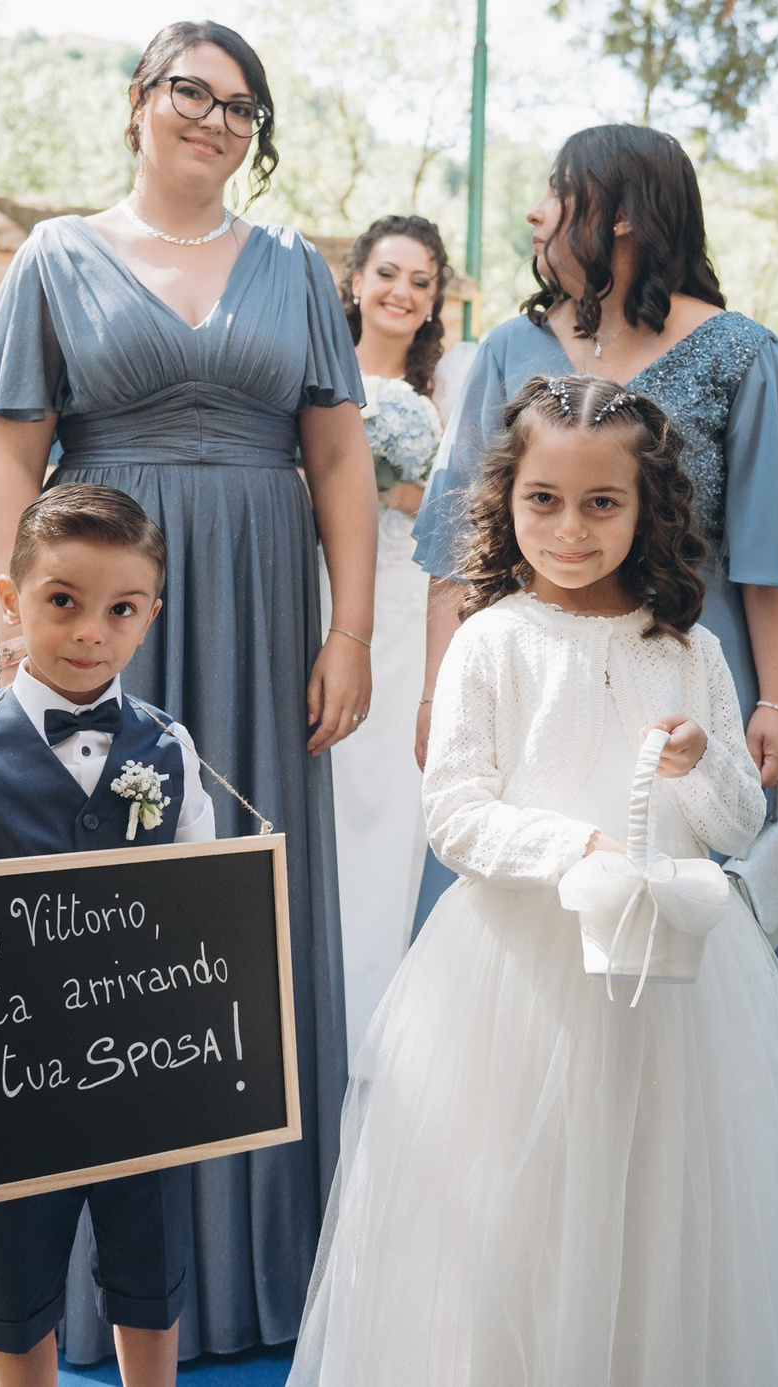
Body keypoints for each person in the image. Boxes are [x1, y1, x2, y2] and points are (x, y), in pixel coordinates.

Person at [0, 20, 377, 1362]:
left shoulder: (297, 269)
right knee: (90, 930)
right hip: (93, 619)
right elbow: (9, 461)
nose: (216, 118)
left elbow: (342, 460)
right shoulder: (55, 258)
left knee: (238, 915)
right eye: (192, 90)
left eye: (242, 103)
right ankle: (71, 1281)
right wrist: (18, 628)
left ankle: (254, 1262)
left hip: (258, 610)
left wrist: (349, 627)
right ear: (138, 100)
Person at [293, 375, 778, 1386]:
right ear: (508, 501)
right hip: (515, 985)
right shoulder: (491, 641)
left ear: (648, 507)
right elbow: (453, 814)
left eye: (601, 503)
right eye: (544, 500)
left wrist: (700, 759)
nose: (570, 529)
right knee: (517, 1213)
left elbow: (735, 821)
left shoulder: (690, 652)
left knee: (654, 1206)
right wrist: (575, 850)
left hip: (663, 987)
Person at [411, 126, 778, 927]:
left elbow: (771, 551)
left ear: (621, 214)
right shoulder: (508, 347)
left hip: (680, 676)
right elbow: (457, 544)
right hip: (527, 679)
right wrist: (435, 690)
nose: (536, 211)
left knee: (678, 927)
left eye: (557, 191)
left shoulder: (741, 353)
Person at [0, 485, 215, 1386]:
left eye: (121, 608)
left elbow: (204, 906)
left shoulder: (170, 749)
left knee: (150, 1262)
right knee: (16, 1273)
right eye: (63, 599)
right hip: (8, 1083)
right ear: (11, 598)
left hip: (145, 1071)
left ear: (150, 617)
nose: (91, 630)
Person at [328, 215, 450, 1046]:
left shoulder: (453, 384)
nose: (402, 292)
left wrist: (403, 490)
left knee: (389, 812)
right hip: (327, 596)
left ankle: (377, 1013)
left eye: (422, 281)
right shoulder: (320, 373)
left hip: (407, 606)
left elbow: (467, 503)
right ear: (358, 280)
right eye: (389, 273)